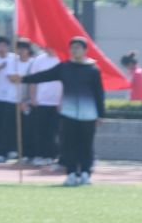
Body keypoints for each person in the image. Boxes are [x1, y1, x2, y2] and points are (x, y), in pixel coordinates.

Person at [24, 37, 107, 186]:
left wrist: (101, 114)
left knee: (86, 145)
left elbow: (99, 93)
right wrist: (22, 79)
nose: (74, 50)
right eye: (72, 47)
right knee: (69, 145)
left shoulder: (93, 69)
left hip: (88, 115)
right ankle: (71, 173)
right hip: (69, 114)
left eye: (78, 47)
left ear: (85, 50)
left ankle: (85, 173)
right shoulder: (64, 67)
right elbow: (44, 76)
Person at [17, 39, 62, 168]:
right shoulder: (39, 60)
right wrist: (32, 97)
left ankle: (51, 156)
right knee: (40, 130)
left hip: (57, 102)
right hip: (40, 101)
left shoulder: (62, 59)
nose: (47, 47)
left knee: (54, 131)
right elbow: (34, 79)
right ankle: (40, 155)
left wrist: (61, 101)